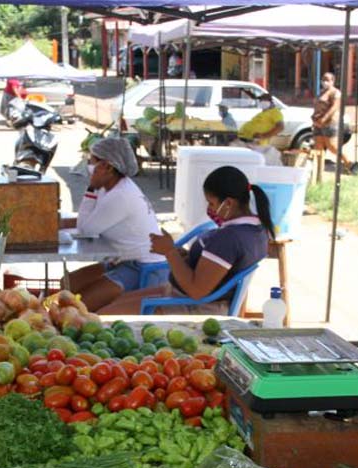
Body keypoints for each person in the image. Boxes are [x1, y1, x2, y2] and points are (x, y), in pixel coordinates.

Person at [99, 166, 273, 315]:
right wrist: (185, 255)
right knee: (114, 303)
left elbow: (196, 290)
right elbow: (217, 267)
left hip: (195, 306)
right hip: (182, 295)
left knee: (105, 316)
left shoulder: (229, 239)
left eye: (212, 203)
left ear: (228, 203)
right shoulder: (257, 229)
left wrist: (170, 252)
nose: (209, 209)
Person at [63, 137, 166, 311]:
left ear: (108, 167)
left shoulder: (120, 195)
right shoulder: (110, 187)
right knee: (68, 284)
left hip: (143, 267)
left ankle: (52, 313)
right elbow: (87, 221)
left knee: (80, 304)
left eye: (92, 161)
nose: (88, 166)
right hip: (120, 260)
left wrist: (91, 188)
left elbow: (85, 228)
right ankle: (46, 309)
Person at [312, 72, 351, 172]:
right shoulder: (321, 92)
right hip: (318, 124)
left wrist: (324, 118)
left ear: (332, 81)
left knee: (332, 147)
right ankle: (319, 171)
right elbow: (317, 106)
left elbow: (334, 107)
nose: (325, 82)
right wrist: (314, 118)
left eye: (327, 79)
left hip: (330, 123)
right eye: (323, 79)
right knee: (318, 148)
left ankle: (348, 163)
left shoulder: (335, 93)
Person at [235, 93, 284, 166]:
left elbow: (280, 127)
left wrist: (264, 136)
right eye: (260, 100)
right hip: (245, 141)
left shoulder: (275, 112)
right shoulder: (263, 113)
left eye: (263, 100)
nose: (261, 102)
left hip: (257, 144)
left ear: (270, 101)